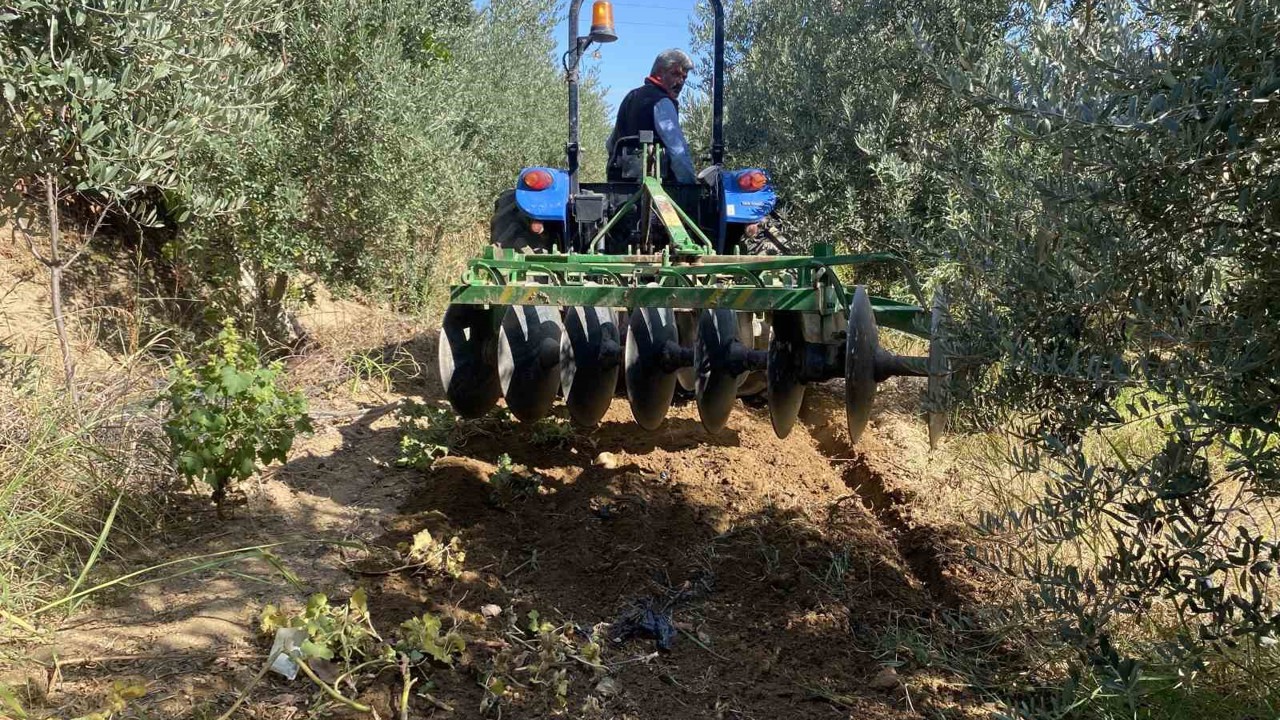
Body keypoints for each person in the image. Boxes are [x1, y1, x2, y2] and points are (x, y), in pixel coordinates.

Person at [606, 49, 697, 184]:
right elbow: (678, 152)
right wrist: (690, 187)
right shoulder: (662, 102)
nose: (680, 82)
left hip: (620, 187)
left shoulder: (630, 97)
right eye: (675, 74)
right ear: (659, 73)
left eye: (684, 77)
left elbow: (611, 144)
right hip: (656, 190)